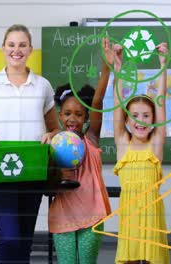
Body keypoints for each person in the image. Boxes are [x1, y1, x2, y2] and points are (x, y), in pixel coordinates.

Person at [0, 24, 60, 263]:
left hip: (32, 172)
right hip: (0, 173)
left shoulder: (42, 85)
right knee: (9, 238)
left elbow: (56, 129)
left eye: (22, 45)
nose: (16, 50)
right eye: (11, 44)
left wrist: (51, 135)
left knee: (24, 241)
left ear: (30, 49)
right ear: (3, 48)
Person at [48, 38, 113, 263]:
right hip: (63, 217)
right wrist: (54, 172)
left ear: (86, 117)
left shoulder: (91, 139)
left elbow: (98, 101)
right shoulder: (54, 144)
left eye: (78, 114)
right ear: (60, 115)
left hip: (91, 217)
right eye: (67, 113)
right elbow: (44, 182)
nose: (72, 118)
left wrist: (107, 67)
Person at [112, 42, 170, 264]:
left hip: (152, 217)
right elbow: (117, 103)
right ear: (126, 119)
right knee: (131, 260)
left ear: (154, 119)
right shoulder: (122, 143)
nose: (140, 120)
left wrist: (163, 64)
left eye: (146, 115)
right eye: (135, 115)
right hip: (130, 218)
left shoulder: (155, 144)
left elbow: (160, 100)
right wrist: (118, 67)